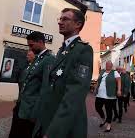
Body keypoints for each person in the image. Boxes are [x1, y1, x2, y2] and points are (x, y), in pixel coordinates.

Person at [33, 8, 94, 138]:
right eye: (60, 19)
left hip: (65, 126)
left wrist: (53, 132)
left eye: (65, 19)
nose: (60, 22)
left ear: (78, 24)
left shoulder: (83, 50)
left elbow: (74, 95)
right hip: (51, 117)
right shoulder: (63, 50)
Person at [8, 31, 55, 138]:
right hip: (23, 106)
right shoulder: (38, 58)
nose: (30, 48)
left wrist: (36, 112)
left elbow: (45, 88)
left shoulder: (49, 59)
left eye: (31, 45)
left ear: (40, 42)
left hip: (31, 109)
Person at [94, 61, 121, 132]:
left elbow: (119, 81)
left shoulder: (115, 72)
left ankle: (109, 125)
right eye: (107, 64)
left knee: (108, 110)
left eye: (109, 65)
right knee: (97, 107)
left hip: (110, 95)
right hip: (100, 94)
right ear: (105, 65)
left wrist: (119, 90)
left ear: (111, 66)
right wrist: (95, 88)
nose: (108, 66)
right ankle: (103, 118)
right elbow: (98, 81)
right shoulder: (102, 72)